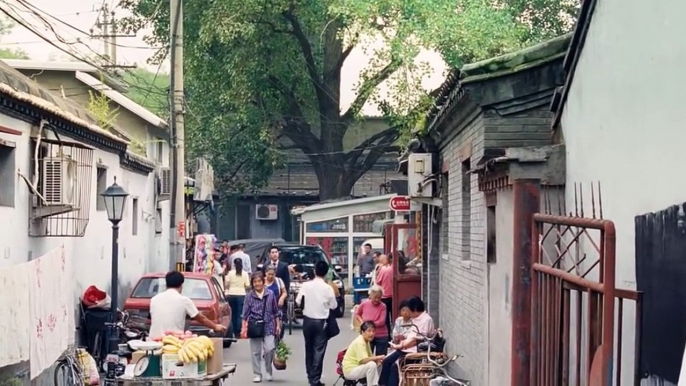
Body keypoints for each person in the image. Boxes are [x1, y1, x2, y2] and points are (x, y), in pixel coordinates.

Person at [149, 271, 226, 339]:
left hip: (152, 340)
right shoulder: (184, 300)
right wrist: (215, 327)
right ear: (181, 285)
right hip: (173, 340)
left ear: (166, 284)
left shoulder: (154, 299)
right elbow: (201, 319)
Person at [296, 261, 338, 386]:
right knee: (319, 350)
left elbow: (298, 301)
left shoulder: (306, 285)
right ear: (325, 273)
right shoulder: (327, 288)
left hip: (307, 320)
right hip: (321, 322)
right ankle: (315, 379)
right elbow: (334, 305)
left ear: (314, 271)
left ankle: (310, 375)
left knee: (308, 348)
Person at [378, 297, 435, 386]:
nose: (407, 313)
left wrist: (400, 346)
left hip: (414, 351)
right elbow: (411, 336)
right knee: (386, 361)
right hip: (406, 348)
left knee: (395, 366)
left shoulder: (425, 320)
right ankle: (383, 384)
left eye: (409, 310)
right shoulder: (416, 319)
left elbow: (416, 341)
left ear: (415, 309)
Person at [241, 272, 282, 383]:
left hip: (268, 325)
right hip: (254, 325)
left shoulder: (270, 294)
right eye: (255, 282)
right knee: (255, 352)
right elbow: (245, 314)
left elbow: (275, 311)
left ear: (263, 282)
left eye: (259, 281)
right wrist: (243, 328)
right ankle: (257, 374)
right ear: (252, 283)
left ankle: (268, 371)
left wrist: (277, 325)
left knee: (269, 349)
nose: (257, 284)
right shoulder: (249, 296)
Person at [342, 321, 385, 385]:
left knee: (379, 364)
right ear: (362, 332)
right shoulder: (360, 342)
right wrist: (379, 357)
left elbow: (370, 356)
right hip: (350, 370)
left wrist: (378, 360)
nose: (371, 334)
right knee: (371, 365)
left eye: (373, 331)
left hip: (358, 367)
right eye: (369, 331)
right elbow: (364, 360)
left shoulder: (366, 341)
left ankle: (376, 383)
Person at [354, 285, 389, 355]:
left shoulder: (383, 306)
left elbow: (381, 322)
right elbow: (357, 314)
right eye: (375, 297)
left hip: (381, 335)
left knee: (381, 357)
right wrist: (362, 322)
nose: (377, 300)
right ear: (370, 296)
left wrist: (368, 325)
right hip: (367, 334)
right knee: (366, 356)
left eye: (379, 298)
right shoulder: (364, 304)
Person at [225, 258, 250, 337]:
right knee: (240, 314)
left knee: (232, 314)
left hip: (231, 294)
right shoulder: (245, 274)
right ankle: (238, 332)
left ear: (234, 264)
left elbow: (227, 284)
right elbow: (247, 285)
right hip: (241, 294)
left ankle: (232, 331)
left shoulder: (230, 273)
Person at [375, 254, 394, 334]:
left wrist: (377, 273)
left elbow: (378, 281)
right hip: (393, 296)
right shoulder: (394, 268)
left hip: (385, 296)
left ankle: (388, 335)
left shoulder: (383, 269)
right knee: (394, 317)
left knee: (385, 319)